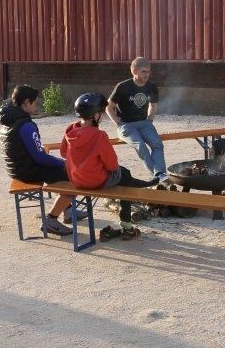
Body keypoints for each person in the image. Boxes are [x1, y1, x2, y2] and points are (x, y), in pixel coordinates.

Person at [61, 92, 157, 241]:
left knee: (125, 174)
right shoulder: (99, 136)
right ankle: (127, 225)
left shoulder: (70, 131)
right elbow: (112, 165)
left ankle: (143, 184)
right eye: (101, 113)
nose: (102, 117)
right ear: (96, 115)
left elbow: (63, 153)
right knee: (125, 176)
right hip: (95, 182)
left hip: (76, 179)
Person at [0, 84, 74, 235]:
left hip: (16, 169)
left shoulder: (9, 119)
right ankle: (51, 220)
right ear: (26, 102)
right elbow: (39, 157)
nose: (38, 105)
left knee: (57, 171)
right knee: (72, 178)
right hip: (28, 170)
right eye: (35, 102)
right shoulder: (25, 125)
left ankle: (68, 210)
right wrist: (64, 163)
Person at [108, 57, 167, 182]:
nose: (147, 74)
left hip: (144, 123)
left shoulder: (151, 87)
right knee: (141, 146)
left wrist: (149, 120)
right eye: (143, 71)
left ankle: (161, 173)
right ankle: (159, 177)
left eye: (148, 71)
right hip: (126, 125)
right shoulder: (123, 87)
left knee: (157, 144)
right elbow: (109, 106)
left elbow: (153, 105)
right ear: (134, 71)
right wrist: (117, 122)